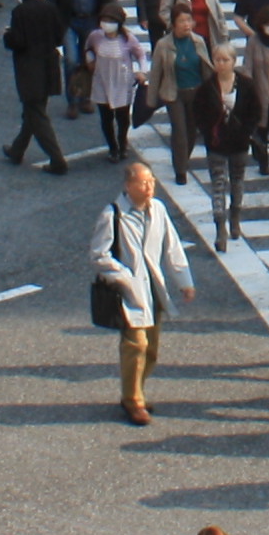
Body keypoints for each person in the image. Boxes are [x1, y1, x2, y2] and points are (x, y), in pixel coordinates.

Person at [92, 157, 190, 426]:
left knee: (152, 349)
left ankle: (136, 391)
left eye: (152, 182)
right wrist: (125, 276)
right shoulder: (112, 215)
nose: (149, 188)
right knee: (136, 344)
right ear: (128, 185)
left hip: (154, 291)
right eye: (143, 183)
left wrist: (184, 280)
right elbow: (99, 255)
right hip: (129, 293)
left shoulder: (157, 209)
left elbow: (172, 246)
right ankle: (133, 400)